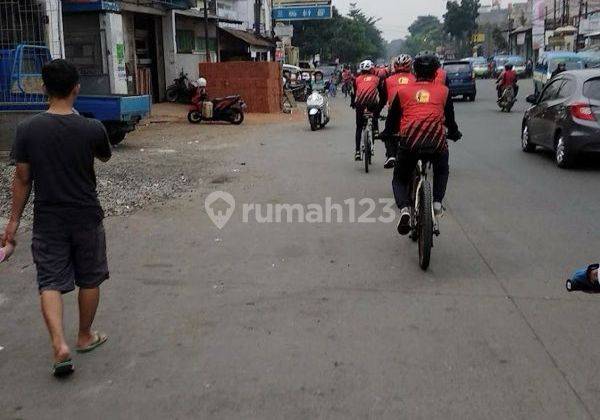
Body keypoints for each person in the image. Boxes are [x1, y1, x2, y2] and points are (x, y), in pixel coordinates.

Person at [2, 59, 111, 376]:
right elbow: (104, 155)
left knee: (49, 280)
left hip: (48, 219)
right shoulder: (91, 128)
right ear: (77, 87)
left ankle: (58, 344)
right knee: (90, 277)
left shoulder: (27, 129)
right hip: (86, 215)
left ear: (44, 89)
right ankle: (84, 335)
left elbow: (22, 178)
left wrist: (12, 223)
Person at [386, 52, 462, 235]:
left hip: (409, 143)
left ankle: (404, 209)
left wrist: (387, 135)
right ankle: (436, 203)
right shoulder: (444, 91)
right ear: (436, 73)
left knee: (399, 179)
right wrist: (454, 133)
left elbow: (392, 120)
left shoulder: (402, 92)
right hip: (436, 143)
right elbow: (450, 121)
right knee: (442, 169)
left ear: (415, 71)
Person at [381, 54, 416, 168]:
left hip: (394, 114)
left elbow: (382, 100)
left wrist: (375, 113)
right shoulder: (416, 80)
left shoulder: (388, 80)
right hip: (413, 114)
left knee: (388, 130)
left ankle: (391, 155)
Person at [351, 60, 385, 161]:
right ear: (371, 69)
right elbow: (381, 93)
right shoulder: (377, 79)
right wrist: (381, 104)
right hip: (372, 104)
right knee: (374, 114)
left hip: (360, 105)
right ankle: (375, 131)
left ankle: (357, 151)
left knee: (359, 127)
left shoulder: (357, 79)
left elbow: (354, 93)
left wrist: (353, 103)